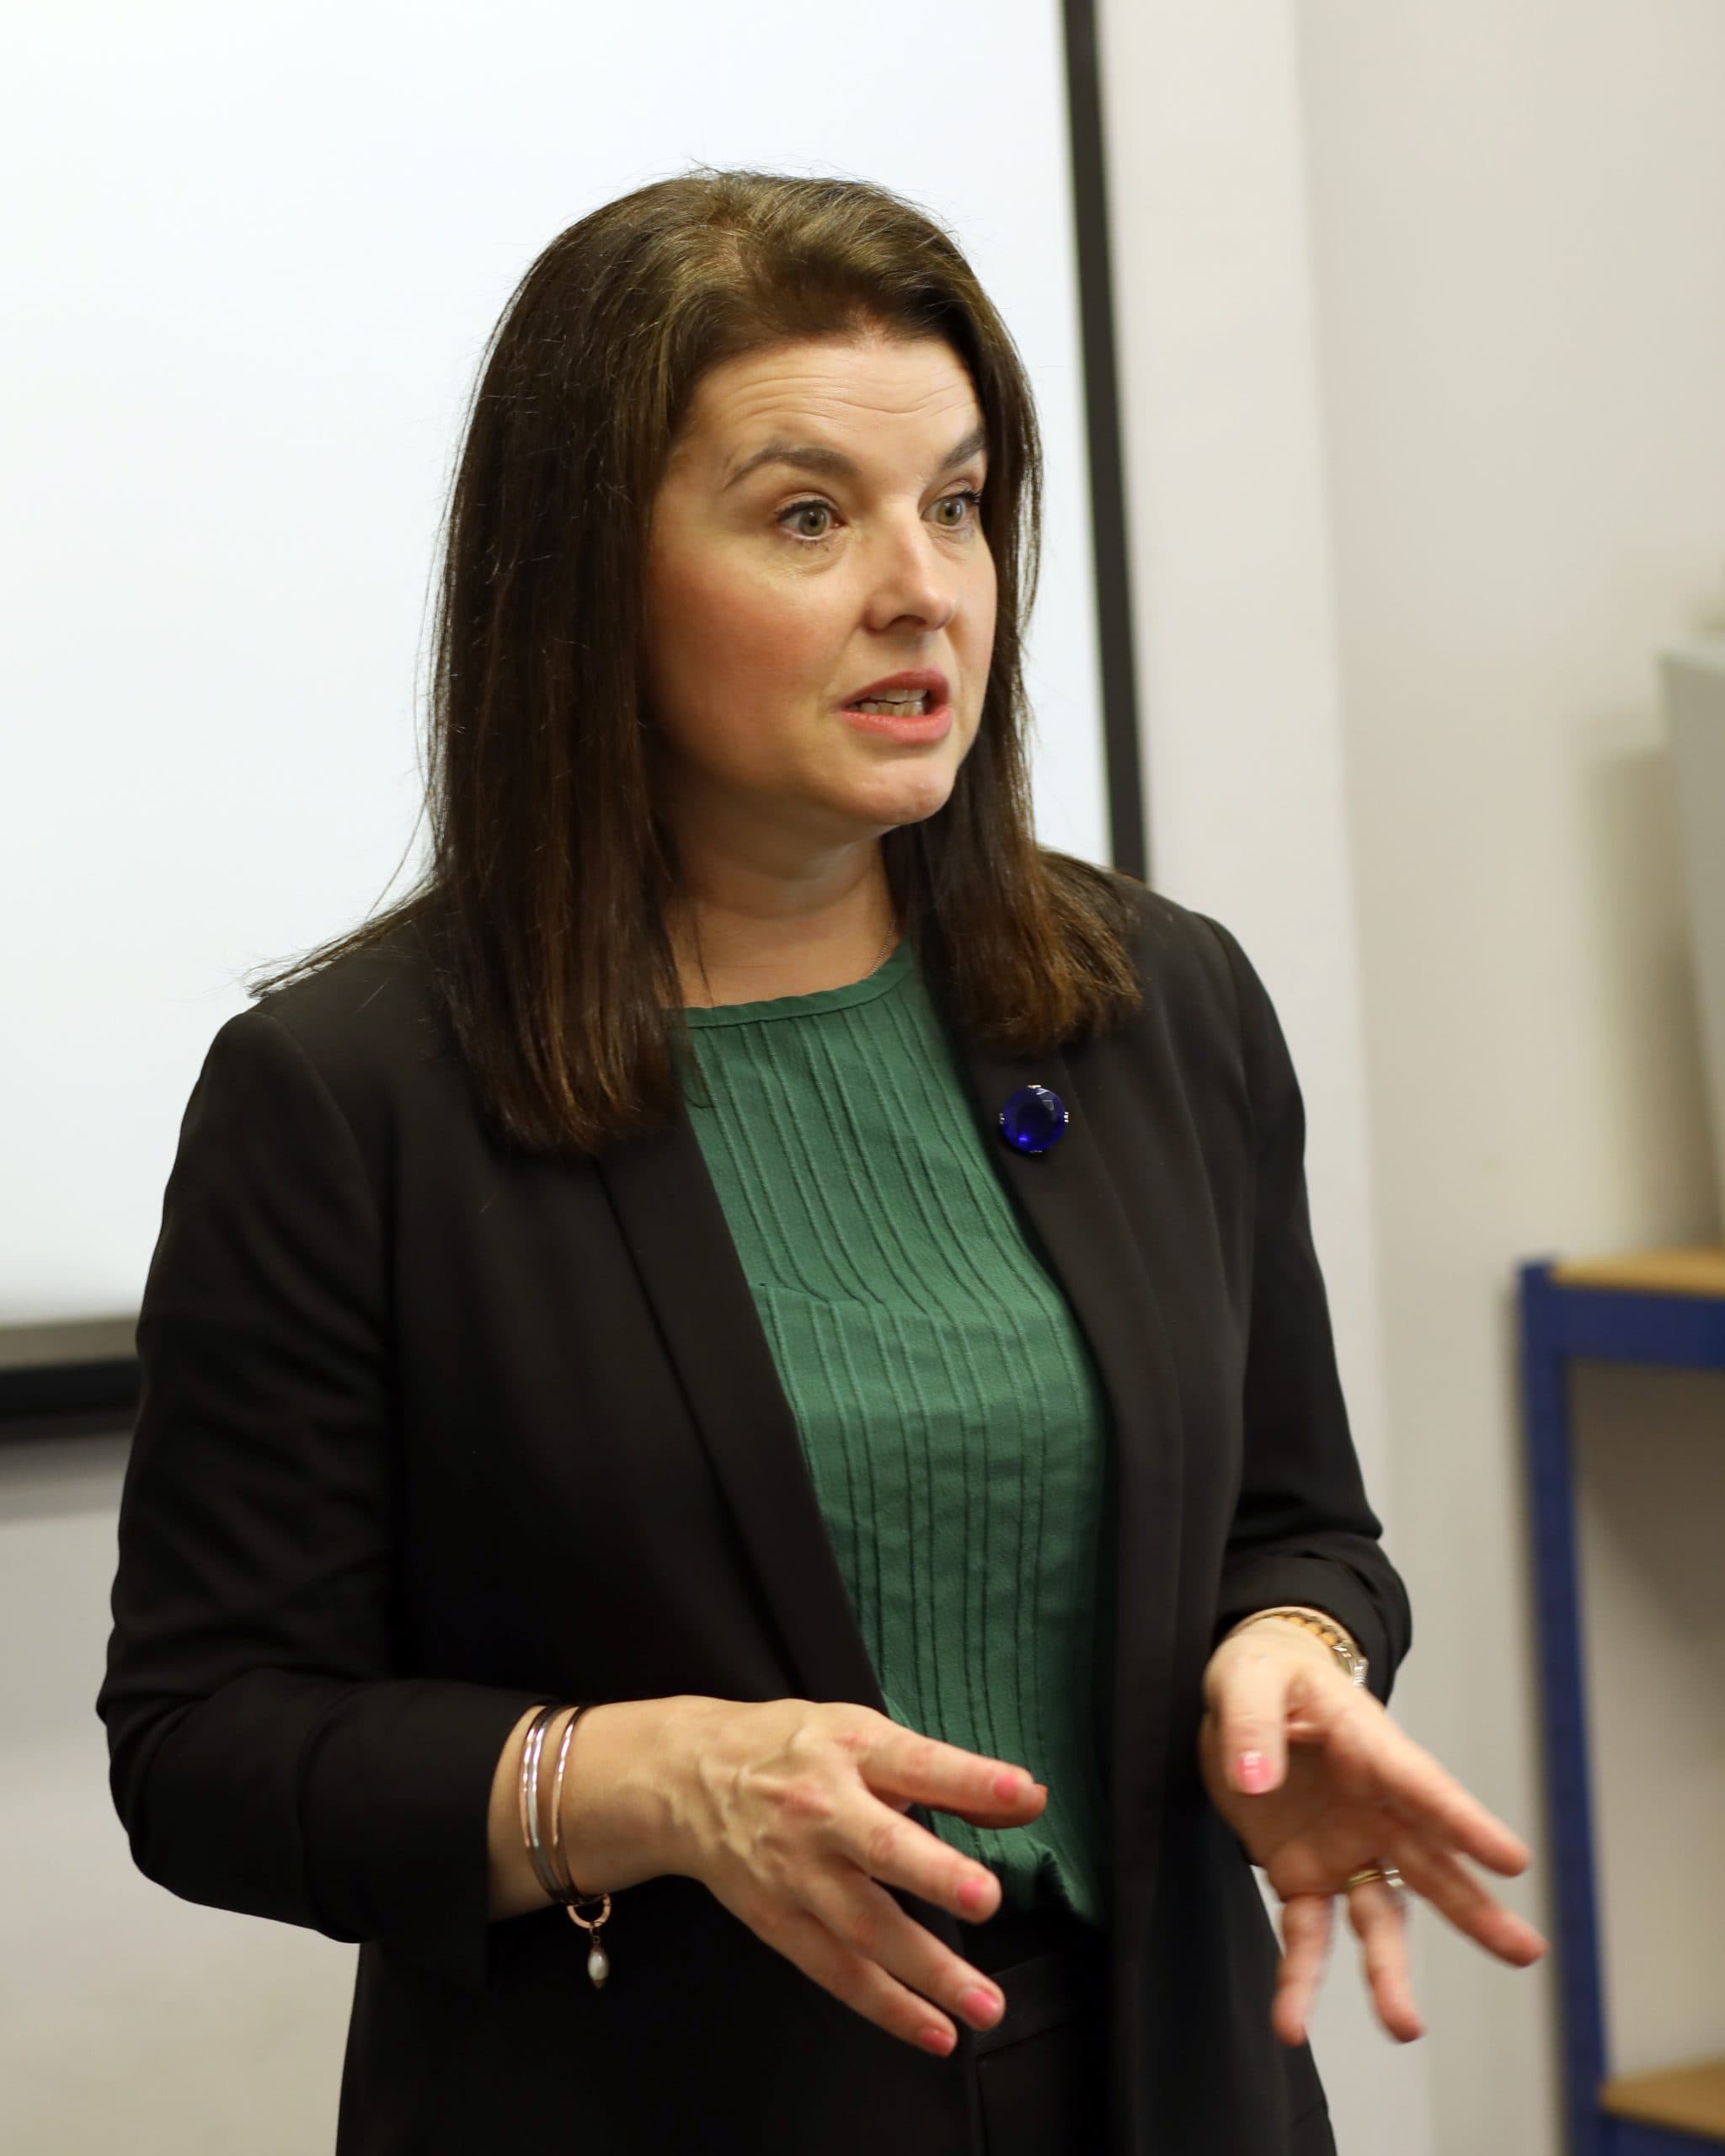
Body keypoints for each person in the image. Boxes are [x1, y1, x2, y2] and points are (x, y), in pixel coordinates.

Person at [96, 168, 1546, 2156]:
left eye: (953, 503)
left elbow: (1296, 1526)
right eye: (807, 516)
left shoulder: (1156, 1004)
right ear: (589, 574)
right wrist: (635, 1775)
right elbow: (207, 1743)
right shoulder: (350, 1093)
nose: (923, 588)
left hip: (1169, 2085)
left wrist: (1289, 1662)